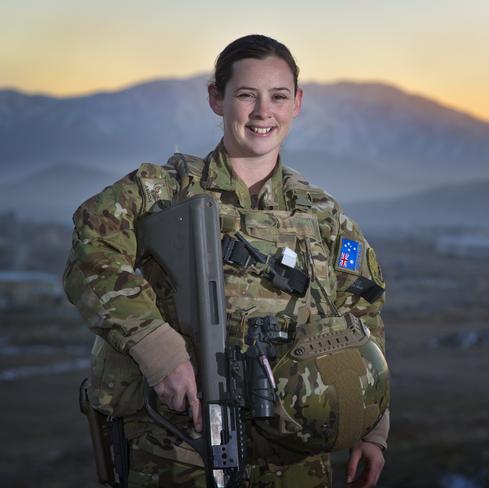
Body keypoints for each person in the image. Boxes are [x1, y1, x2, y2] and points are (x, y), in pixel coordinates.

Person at [64, 34, 389, 488]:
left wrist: (370, 424)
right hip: (179, 445)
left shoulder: (323, 216)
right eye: (245, 95)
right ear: (217, 99)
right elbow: (91, 249)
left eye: (278, 97)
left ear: (296, 103)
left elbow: (361, 313)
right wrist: (158, 350)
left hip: (295, 457)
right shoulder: (163, 191)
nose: (263, 112)